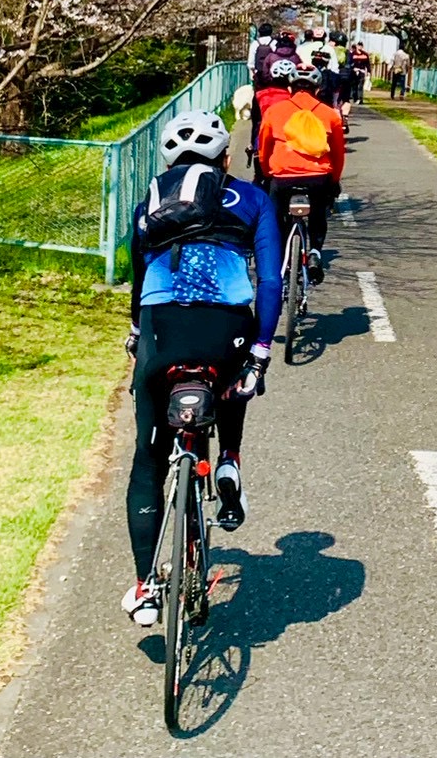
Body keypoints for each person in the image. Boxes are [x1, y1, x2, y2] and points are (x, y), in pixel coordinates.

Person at [122, 109, 282, 627]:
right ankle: (229, 460)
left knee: (147, 460)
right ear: (226, 158)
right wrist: (260, 348)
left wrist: (136, 333)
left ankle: (147, 587)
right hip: (225, 331)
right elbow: (272, 282)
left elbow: (139, 274)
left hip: (161, 328)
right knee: (235, 380)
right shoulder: (253, 198)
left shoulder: (149, 198)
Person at [258, 65, 345, 284]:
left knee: (275, 217)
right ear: (317, 89)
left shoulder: (274, 111)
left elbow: (264, 148)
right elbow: (338, 153)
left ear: (290, 88)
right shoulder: (330, 115)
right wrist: (334, 180)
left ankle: (279, 257)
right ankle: (315, 252)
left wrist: (268, 172)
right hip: (318, 177)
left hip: (282, 177)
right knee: (317, 215)